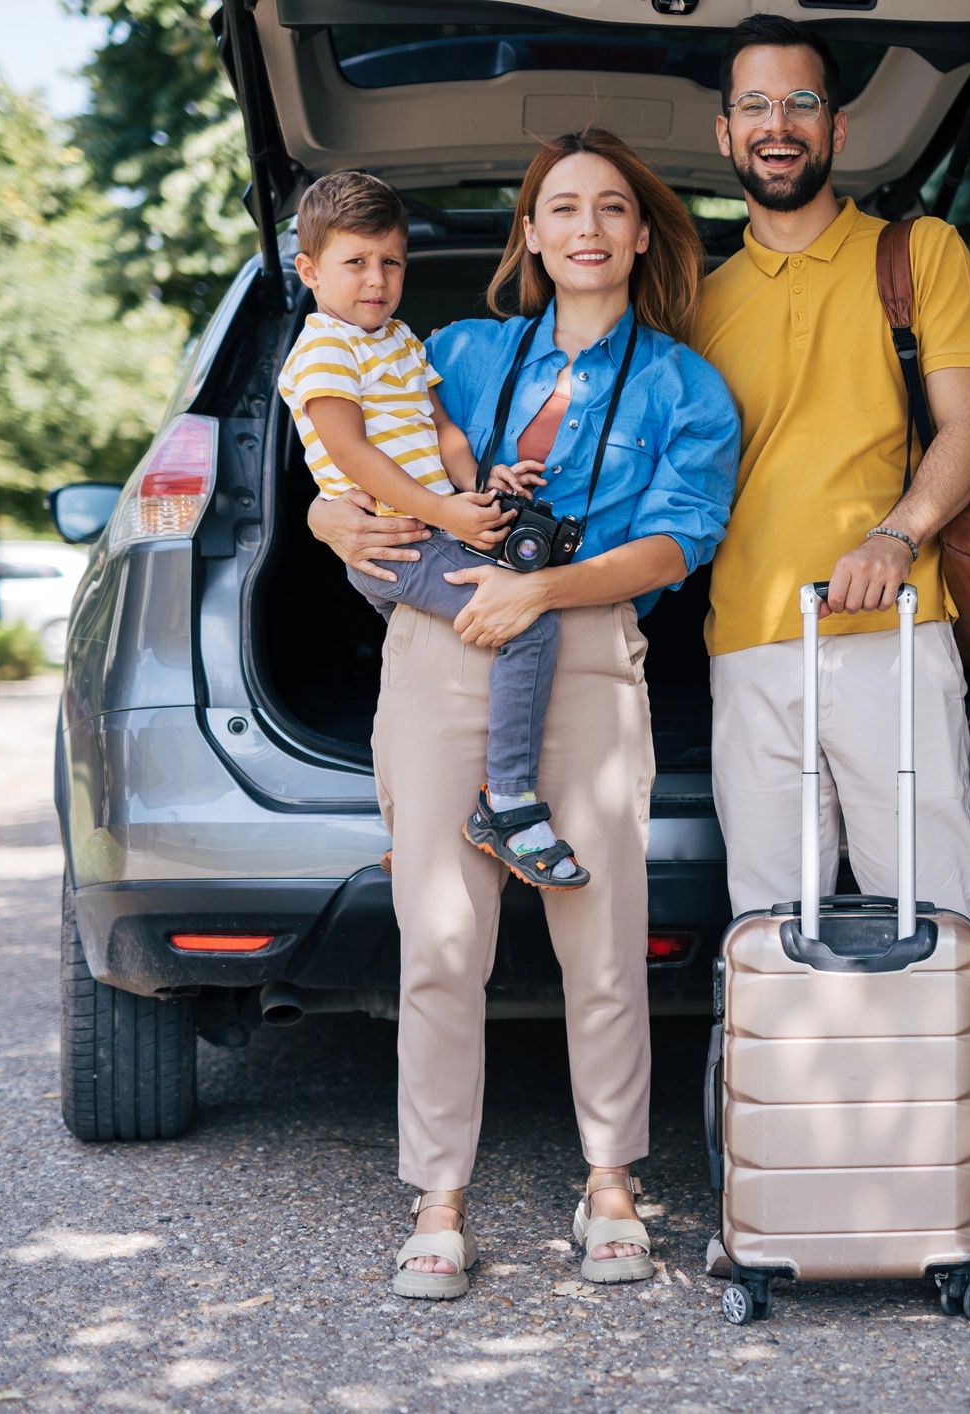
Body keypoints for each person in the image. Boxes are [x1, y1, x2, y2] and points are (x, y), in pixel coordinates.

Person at [306, 130, 738, 1301]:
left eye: (611, 207)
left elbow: (679, 538)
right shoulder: (455, 349)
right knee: (443, 941)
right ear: (532, 235)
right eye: (561, 207)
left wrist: (541, 588)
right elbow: (350, 443)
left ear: (640, 233)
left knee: (600, 943)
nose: (587, 226)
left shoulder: (684, 384)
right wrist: (323, 520)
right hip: (441, 651)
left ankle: (609, 1185)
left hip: (586, 651)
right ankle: (437, 1198)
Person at [693, 15, 970, 1280]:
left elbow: (969, 424)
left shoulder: (913, 253)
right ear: (725, 136)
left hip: (892, 636)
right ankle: (769, 1198)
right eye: (754, 109)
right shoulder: (697, 298)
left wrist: (897, 532)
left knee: (934, 913)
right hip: (749, 651)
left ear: (832, 127)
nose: (776, 128)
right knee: (770, 927)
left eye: (798, 106)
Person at [278, 170, 589, 889]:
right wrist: (444, 511)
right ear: (309, 270)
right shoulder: (325, 350)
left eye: (390, 262)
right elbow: (351, 451)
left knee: (439, 672)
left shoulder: (401, 343)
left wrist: (480, 484)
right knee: (527, 629)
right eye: (354, 263)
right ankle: (506, 804)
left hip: (429, 527)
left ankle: (416, 829)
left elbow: (443, 431)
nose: (376, 280)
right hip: (398, 539)